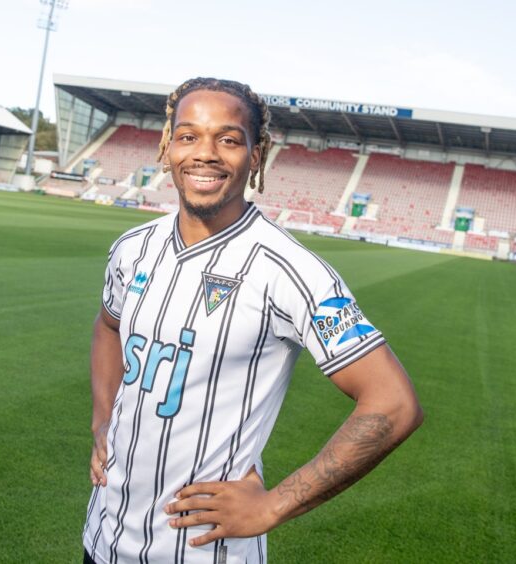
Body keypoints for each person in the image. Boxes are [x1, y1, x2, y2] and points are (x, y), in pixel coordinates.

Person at [82, 77, 423, 564]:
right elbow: (109, 327)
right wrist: (103, 419)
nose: (205, 154)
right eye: (188, 136)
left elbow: (394, 404)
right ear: (166, 145)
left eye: (227, 138)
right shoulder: (132, 249)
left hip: (204, 553)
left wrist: (273, 506)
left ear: (256, 155)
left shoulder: (291, 271)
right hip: (103, 537)